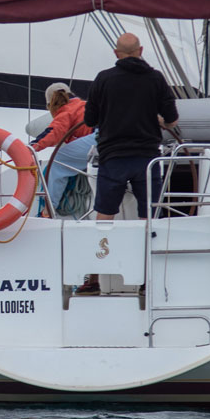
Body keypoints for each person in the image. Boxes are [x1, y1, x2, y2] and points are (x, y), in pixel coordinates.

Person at [79, 33, 179, 295]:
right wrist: (158, 121)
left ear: (116, 54)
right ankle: (148, 281)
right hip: (147, 159)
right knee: (149, 220)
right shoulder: (155, 79)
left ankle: (94, 279)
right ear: (141, 51)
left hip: (113, 160)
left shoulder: (103, 79)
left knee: (104, 218)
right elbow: (172, 119)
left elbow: (90, 120)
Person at [30, 82, 95, 216]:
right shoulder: (83, 105)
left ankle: (48, 211)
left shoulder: (66, 110)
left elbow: (54, 131)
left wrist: (33, 146)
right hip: (117, 138)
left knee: (58, 160)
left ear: (51, 105)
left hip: (100, 139)